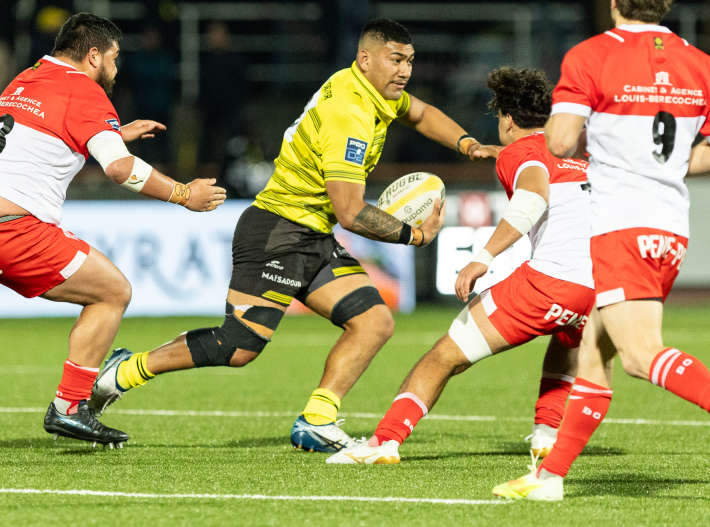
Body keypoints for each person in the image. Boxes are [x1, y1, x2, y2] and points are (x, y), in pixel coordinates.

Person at [89, 18, 499, 453]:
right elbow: (350, 211)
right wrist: (415, 236)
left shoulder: (368, 89)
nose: (405, 71)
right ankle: (125, 370)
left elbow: (420, 112)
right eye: (395, 60)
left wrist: (468, 144)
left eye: (410, 61)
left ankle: (317, 421)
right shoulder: (349, 114)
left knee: (373, 322)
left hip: (312, 233)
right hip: (277, 230)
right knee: (238, 346)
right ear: (365, 58)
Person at [491, 0, 710, 502]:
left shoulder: (591, 55)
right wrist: (662, 169)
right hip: (670, 228)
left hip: (621, 225)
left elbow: (559, 142)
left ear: (614, 4)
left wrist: (574, 125)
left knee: (639, 355)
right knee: (593, 355)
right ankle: (549, 477)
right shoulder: (699, 63)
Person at [326, 67, 594, 465]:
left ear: (507, 119)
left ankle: (384, 441)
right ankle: (546, 434)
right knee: (566, 338)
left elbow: (533, 196)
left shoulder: (521, 154)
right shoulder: (576, 153)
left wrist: (481, 259)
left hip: (550, 282)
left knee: (443, 356)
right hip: (597, 289)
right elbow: (547, 170)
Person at [0, 14, 225, 448]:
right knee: (112, 291)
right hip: (16, 231)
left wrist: (113, 133)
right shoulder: (86, 90)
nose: (117, 69)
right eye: (115, 58)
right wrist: (184, 194)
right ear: (93, 55)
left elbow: (42, 139)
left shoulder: (27, 79)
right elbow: (121, 169)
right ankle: (70, 407)